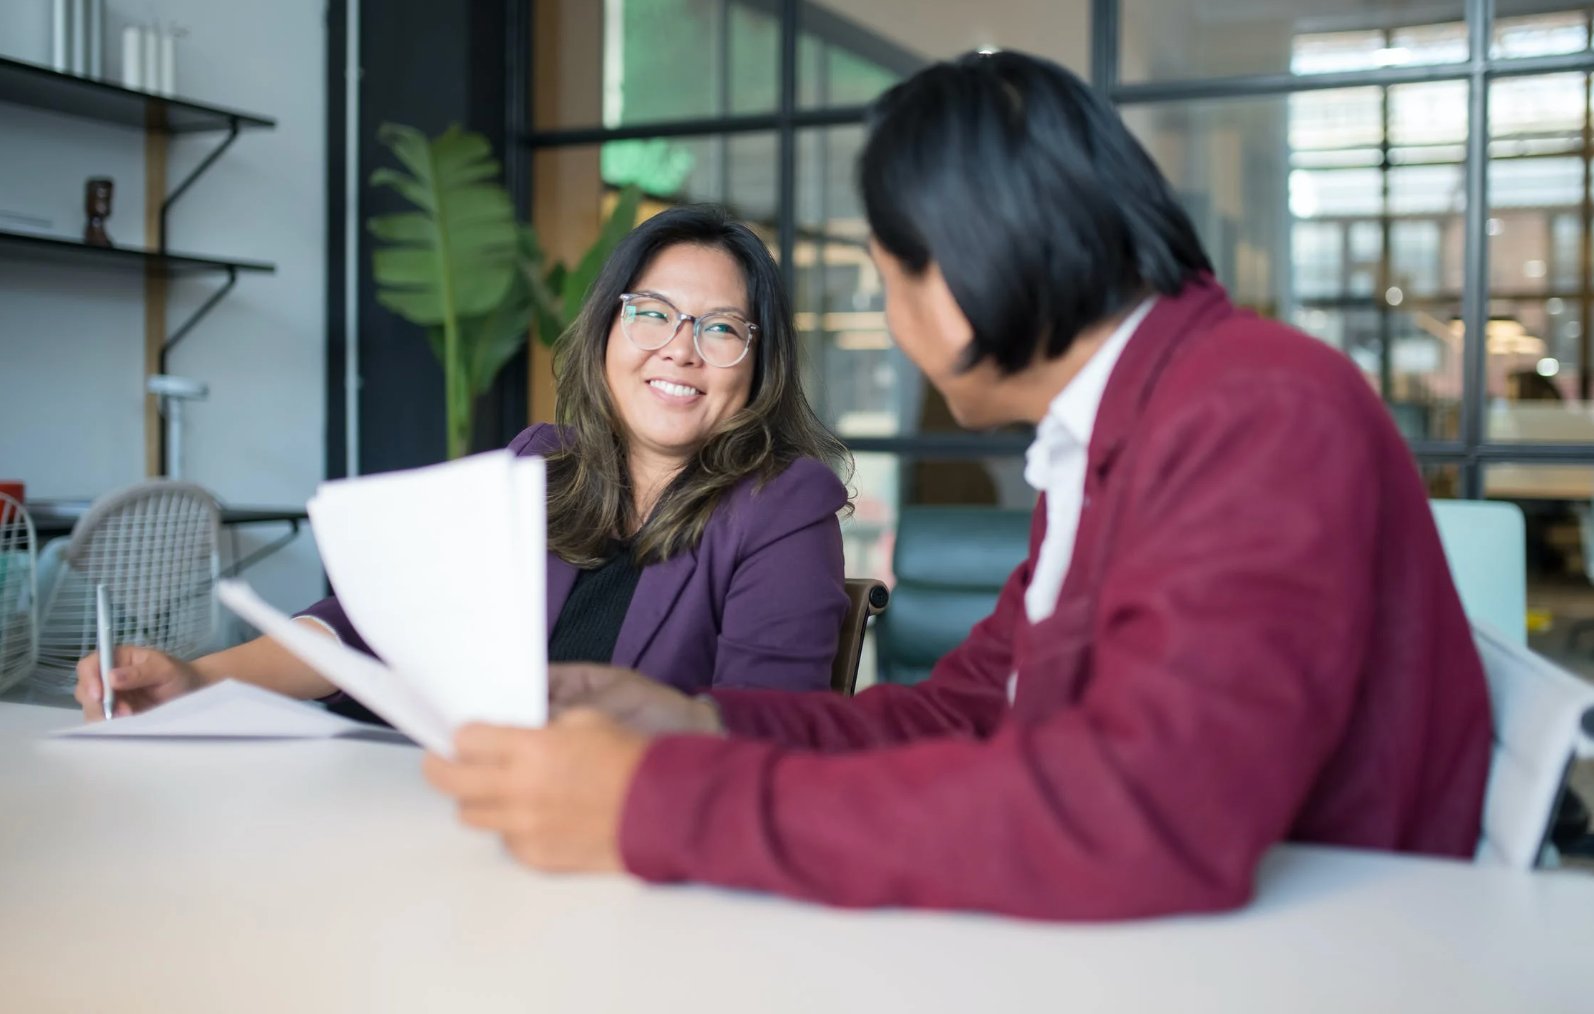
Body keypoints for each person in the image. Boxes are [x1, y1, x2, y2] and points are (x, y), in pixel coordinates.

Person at [423, 51, 1492, 920]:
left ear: (963, 279)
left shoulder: (1254, 411)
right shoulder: (1116, 431)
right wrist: (696, 725)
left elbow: (1143, 821)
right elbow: (964, 713)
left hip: (1309, 953)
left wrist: (654, 804)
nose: (893, 323)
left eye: (887, 281)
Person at [75, 206, 853, 720]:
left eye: (721, 329)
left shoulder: (784, 505)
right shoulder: (540, 467)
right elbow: (368, 626)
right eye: (651, 314)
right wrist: (201, 683)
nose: (678, 348)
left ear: (758, 364)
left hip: (625, 849)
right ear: (607, 331)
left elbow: (766, 727)